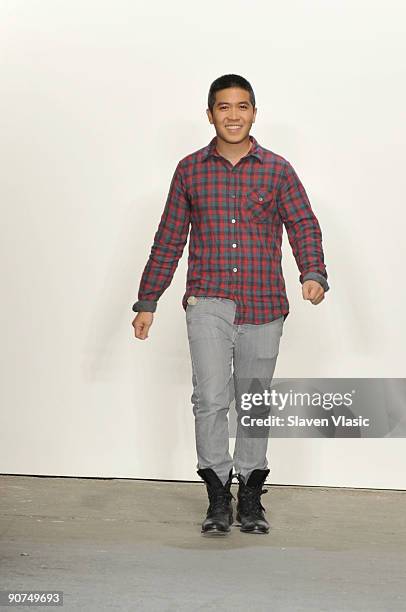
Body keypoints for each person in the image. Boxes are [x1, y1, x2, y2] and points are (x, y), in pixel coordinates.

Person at [132, 74, 329, 536]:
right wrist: (148, 300)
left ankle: (252, 497)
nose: (234, 115)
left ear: (255, 113)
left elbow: (303, 224)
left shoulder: (278, 169)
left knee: (254, 402)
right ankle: (218, 495)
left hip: (264, 302)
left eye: (242, 107)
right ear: (210, 114)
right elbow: (168, 239)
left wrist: (313, 272)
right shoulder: (189, 170)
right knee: (210, 399)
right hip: (208, 301)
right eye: (224, 107)